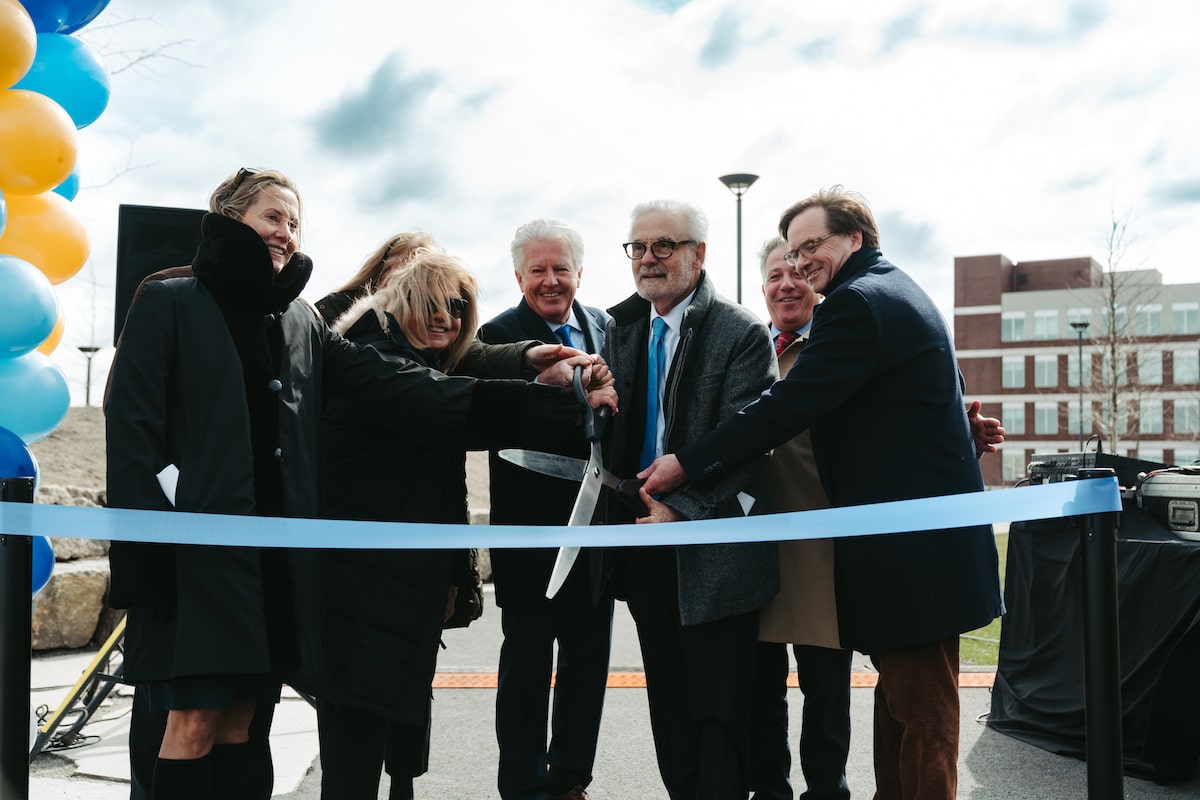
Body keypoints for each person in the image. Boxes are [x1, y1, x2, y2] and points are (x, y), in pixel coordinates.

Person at [104, 167, 597, 800]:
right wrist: (144, 558)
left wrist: (548, 395)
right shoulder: (168, 300)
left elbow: (412, 387)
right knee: (192, 720)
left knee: (242, 725)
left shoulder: (301, 322)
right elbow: (133, 434)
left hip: (273, 569)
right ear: (228, 218)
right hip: (194, 564)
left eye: (294, 222)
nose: (285, 232)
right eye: (271, 217)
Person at [641, 186, 1005, 800]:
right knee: (899, 710)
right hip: (912, 547)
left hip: (910, 553)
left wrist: (686, 465)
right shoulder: (899, 289)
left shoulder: (857, 303)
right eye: (792, 250)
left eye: (814, 245)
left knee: (922, 716)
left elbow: (791, 404)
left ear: (855, 239)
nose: (803, 261)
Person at [308, 248, 615, 800]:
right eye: (431, 302)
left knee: (394, 732)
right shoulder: (374, 359)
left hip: (406, 582)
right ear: (400, 299)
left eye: (457, 306)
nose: (445, 316)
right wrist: (566, 401)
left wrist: (454, 574)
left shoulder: (415, 355)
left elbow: (480, 368)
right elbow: (455, 402)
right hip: (361, 583)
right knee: (355, 741)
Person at [588, 199, 779, 799]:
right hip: (644, 544)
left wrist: (683, 510)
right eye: (638, 248)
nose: (649, 259)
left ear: (699, 254)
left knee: (719, 709)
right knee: (669, 704)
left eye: (664, 246)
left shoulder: (740, 332)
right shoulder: (621, 331)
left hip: (715, 548)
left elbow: (751, 445)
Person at [477, 219, 614, 800]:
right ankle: (524, 783)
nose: (551, 281)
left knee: (589, 661)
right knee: (528, 664)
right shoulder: (494, 336)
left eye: (562, 269)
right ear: (519, 276)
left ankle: (571, 781)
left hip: (600, 526)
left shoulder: (608, 327)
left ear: (580, 273)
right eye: (538, 270)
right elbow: (488, 417)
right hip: (528, 528)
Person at [749, 237, 853, 800]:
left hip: (821, 543)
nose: (786, 284)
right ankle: (770, 790)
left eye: (797, 274)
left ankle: (826, 790)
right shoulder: (747, 350)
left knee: (825, 688)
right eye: (773, 276)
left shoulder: (837, 347)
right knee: (761, 691)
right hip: (752, 545)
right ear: (762, 290)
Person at [314, 231, 436, 325]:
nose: (394, 277)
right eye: (388, 268)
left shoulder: (439, 332)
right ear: (377, 276)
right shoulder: (333, 313)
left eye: (410, 275)